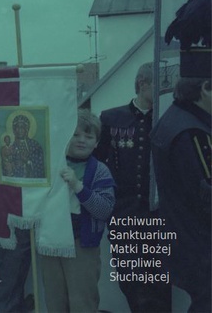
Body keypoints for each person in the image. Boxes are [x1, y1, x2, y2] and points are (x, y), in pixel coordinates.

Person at [95, 62, 171, 312]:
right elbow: (97, 162)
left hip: (159, 217)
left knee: (160, 278)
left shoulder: (167, 118)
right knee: (130, 278)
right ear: (143, 84)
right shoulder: (111, 118)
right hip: (124, 215)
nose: (165, 92)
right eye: (160, 86)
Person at [41, 109, 115, 313]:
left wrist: (78, 186)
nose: (82, 140)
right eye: (75, 135)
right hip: (51, 242)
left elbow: (104, 210)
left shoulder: (100, 171)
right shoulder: (51, 164)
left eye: (88, 136)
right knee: (55, 300)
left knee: (82, 302)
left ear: (97, 143)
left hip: (81, 244)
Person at [152, 77, 211, 313]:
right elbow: (207, 198)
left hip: (183, 239)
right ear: (206, 88)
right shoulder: (194, 133)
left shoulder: (174, 117)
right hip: (202, 246)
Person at [0, 114, 45, 178]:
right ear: (14, 130)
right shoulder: (11, 147)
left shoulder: (35, 145)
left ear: (27, 129)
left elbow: (40, 167)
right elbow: (5, 167)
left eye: (22, 127)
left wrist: (27, 162)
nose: (19, 130)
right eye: (17, 127)